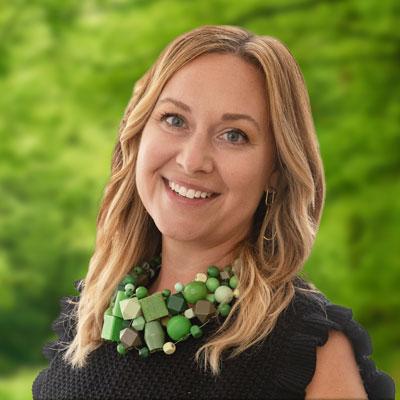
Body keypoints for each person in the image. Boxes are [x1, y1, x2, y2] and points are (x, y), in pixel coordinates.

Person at [32, 25, 395, 399]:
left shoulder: (307, 350)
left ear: (275, 170)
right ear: (138, 132)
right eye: (174, 120)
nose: (192, 161)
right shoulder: (94, 312)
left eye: (234, 135)